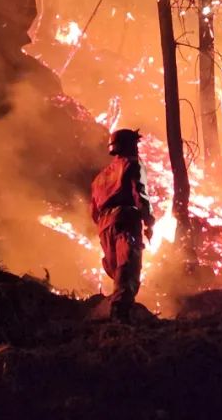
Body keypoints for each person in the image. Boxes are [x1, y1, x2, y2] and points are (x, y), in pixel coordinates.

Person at [91, 128, 154, 321]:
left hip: (104, 225)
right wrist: (148, 221)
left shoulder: (100, 177)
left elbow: (93, 212)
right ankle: (120, 321)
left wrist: (104, 226)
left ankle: (115, 310)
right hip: (126, 219)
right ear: (129, 145)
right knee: (128, 267)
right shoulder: (132, 164)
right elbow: (139, 193)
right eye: (135, 144)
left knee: (116, 268)